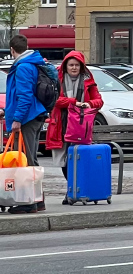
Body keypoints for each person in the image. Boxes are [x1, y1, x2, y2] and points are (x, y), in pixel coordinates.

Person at [4, 34, 49, 214]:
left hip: (27, 119)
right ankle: (38, 199)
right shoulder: (32, 63)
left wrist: (17, 119)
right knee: (31, 159)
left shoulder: (22, 67)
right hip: (35, 115)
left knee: (25, 160)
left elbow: (24, 96)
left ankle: (29, 202)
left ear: (12, 50)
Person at [47, 51, 103, 185]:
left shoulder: (88, 80)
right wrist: (73, 102)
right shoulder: (57, 79)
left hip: (81, 126)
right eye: (71, 65)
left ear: (81, 66)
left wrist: (89, 104)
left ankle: (77, 188)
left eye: (77, 65)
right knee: (65, 159)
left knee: (79, 158)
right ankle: (72, 187)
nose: (74, 68)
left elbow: (99, 101)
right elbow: (53, 99)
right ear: (65, 66)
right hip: (62, 124)